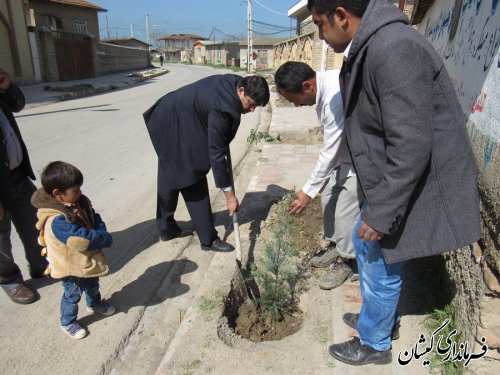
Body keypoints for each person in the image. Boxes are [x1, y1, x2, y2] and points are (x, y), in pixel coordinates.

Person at [307, 0, 480, 366]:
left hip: (416, 176)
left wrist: (381, 212)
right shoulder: (375, 45)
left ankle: (375, 343)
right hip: (394, 175)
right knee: (363, 242)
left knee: (378, 255)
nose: (321, 36)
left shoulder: (392, 47)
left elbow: (412, 144)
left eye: (321, 25)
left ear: (341, 15)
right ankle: (379, 319)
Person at [144, 74, 269, 252]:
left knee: (170, 167)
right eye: (252, 103)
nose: (253, 109)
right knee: (192, 174)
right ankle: (208, 239)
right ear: (241, 91)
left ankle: (166, 228)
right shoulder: (223, 109)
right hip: (172, 120)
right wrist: (229, 195)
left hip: (173, 114)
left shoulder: (238, 82)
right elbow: (216, 155)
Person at [274, 61, 361, 290]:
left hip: (360, 161)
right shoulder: (321, 89)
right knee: (328, 198)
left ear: (307, 86)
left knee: (345, 212)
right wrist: (314, 190)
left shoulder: (335, 96)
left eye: (294, 100)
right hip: (343, 158)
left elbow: (329, 150)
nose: (295, 106)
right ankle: (336, 246)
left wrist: (306, 192)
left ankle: (347, 261)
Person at [31, 161, 115, 339]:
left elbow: (94, 216)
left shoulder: (77, 202)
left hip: (85, 259)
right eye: (75, 190)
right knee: (72, 293)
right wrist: (104, 238)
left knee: (92, 283)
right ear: (57, 194)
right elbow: (80, 240)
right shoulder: (57, 220)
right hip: (69, 264)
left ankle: (95, 303)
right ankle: (67, 321)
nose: (80, 193)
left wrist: (100, 229)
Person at [0, 68, 47, 304]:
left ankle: (40, 265)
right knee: (1, 238)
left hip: (17, 175)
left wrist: (7, 86)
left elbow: (16, 105)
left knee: (33, 223)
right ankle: (10, 280)